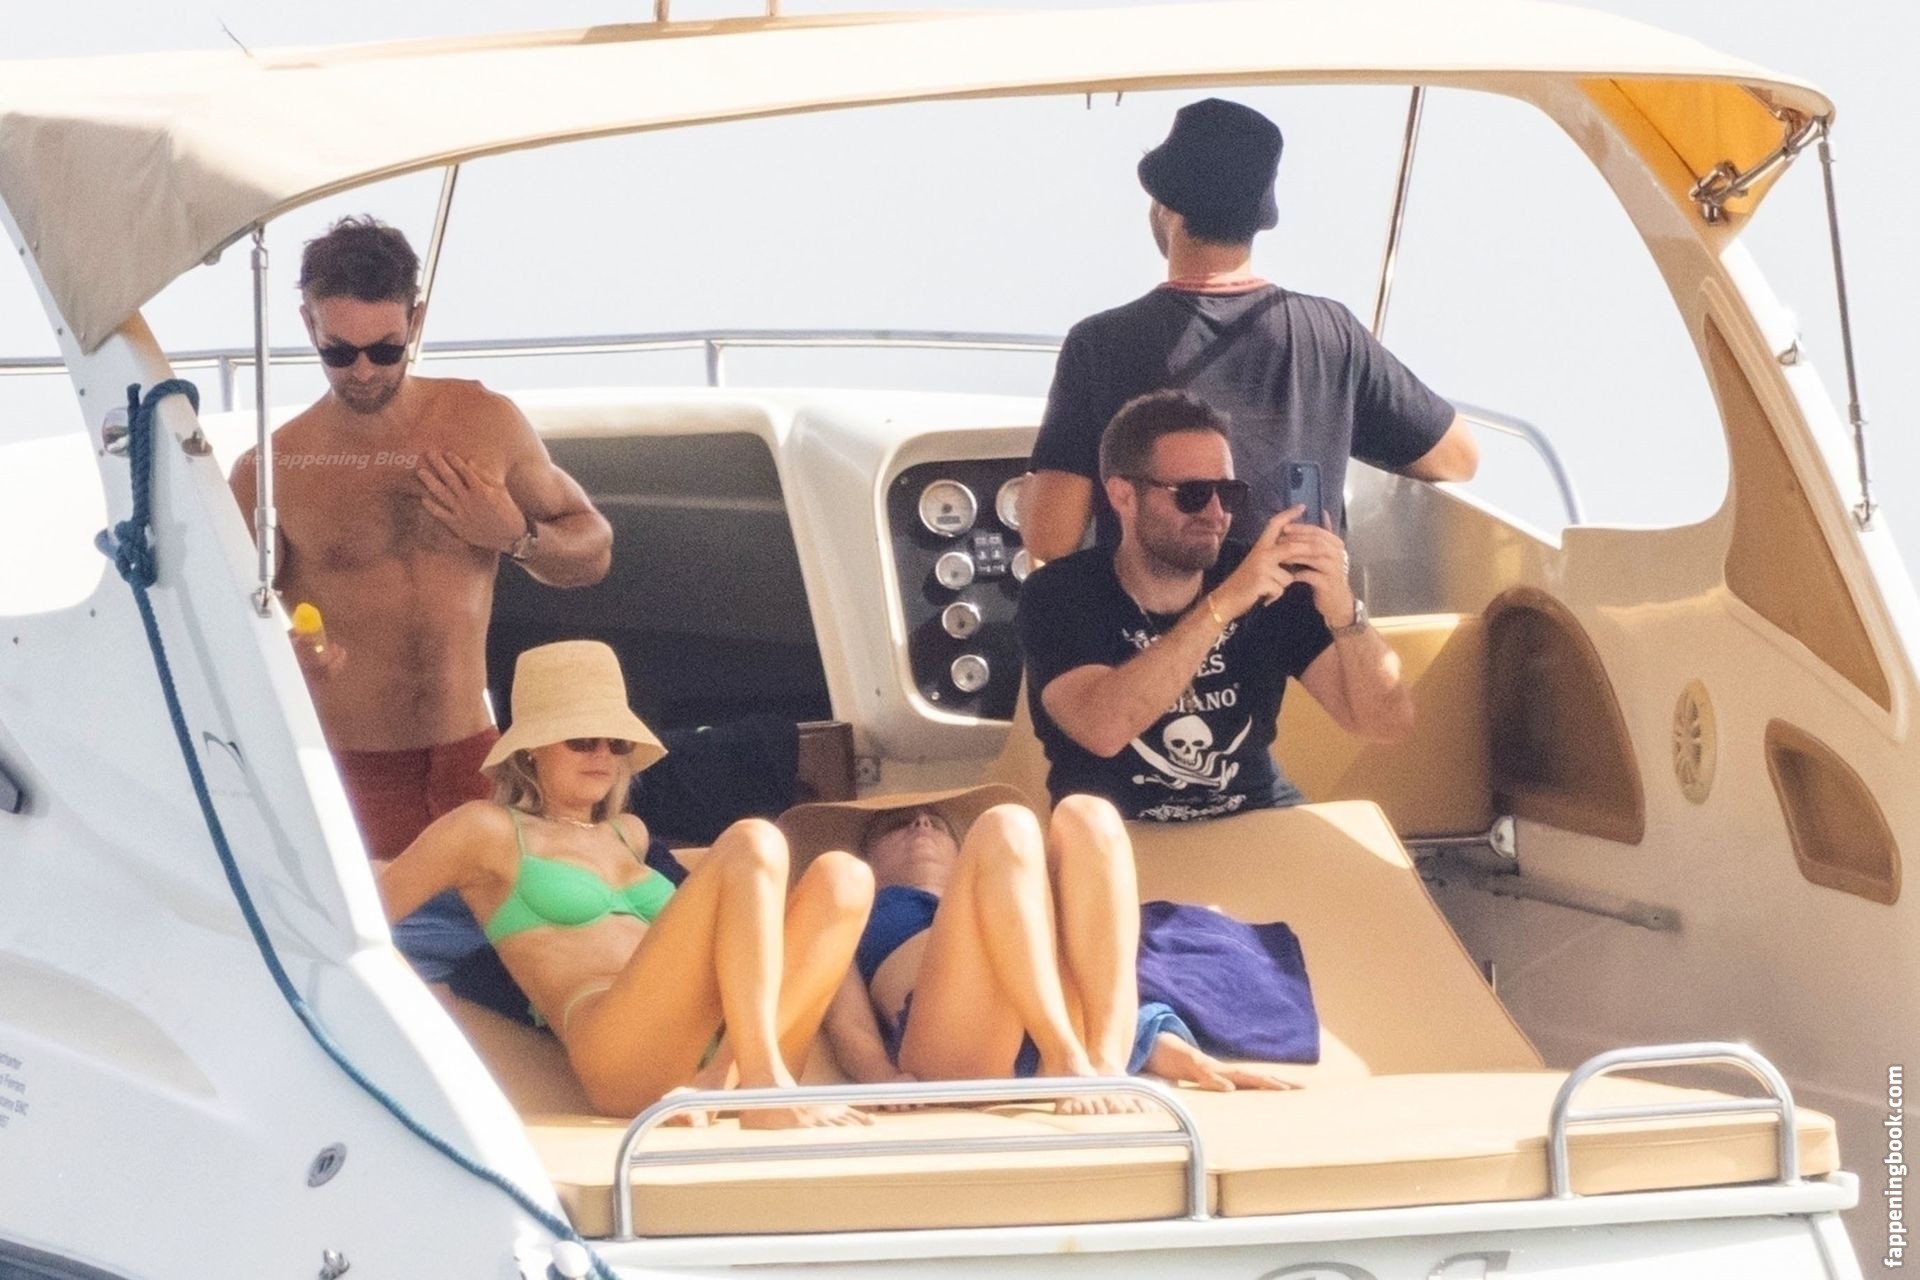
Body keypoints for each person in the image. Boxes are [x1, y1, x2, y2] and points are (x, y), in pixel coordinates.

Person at [228, 215, 613, 862]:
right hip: (350, 771)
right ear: (309, 326)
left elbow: (593, 551)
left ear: (416, 320)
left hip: (478, 757)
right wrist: (283, 662)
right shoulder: (271, 470)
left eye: (385, 350)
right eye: (338, 352)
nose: (362, 372)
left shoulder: (485, 423)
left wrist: (515, 536)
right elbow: (219, 634)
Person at [378, 640, 875, 1127]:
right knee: (754, 839)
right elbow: (357, 916)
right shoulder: (484, 830)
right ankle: (763, 1083)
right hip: (619, 1054)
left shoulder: (629, 834)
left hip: (718, 1047)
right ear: (531, 750)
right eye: (581, 741)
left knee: (845, 876)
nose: (602, 755)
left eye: (616, 743)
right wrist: (412, 1000)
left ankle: (732, 1078)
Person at [1019, 97, 1477, 564]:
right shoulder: (1334, 335)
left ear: (1165, 207)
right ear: (1258, 218)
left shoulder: (1098, 345)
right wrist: (1334, 421)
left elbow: (1049, 538)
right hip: (1299, 611)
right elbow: (1458, 457)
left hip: (1165, 613)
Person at [1017, 390, 1413, 822]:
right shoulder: (1059, 594)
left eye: (1228, 493)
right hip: (1115, 833)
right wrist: (1224, 605)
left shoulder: (1266, 580)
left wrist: (1343, 609)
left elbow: (1387, 724)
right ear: (1123, 496)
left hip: (1257, 815)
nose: (1215, 512)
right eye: (1193, 494)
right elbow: (1103, 730)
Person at [790, 785, 1301, 1113]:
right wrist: (882, 1080)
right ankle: (1064, 1057)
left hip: (1061, 1029)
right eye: (896, 824)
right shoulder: (856, 901)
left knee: (1088, 813)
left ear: (960, 852)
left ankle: (1101, 1063)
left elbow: (1091, 964)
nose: (920, 824)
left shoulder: (1028, 891)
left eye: (935, 822)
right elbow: (847, 1020)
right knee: (1006, 824)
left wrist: (1187, 1059)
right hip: (955, 1045)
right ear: (868, 858)